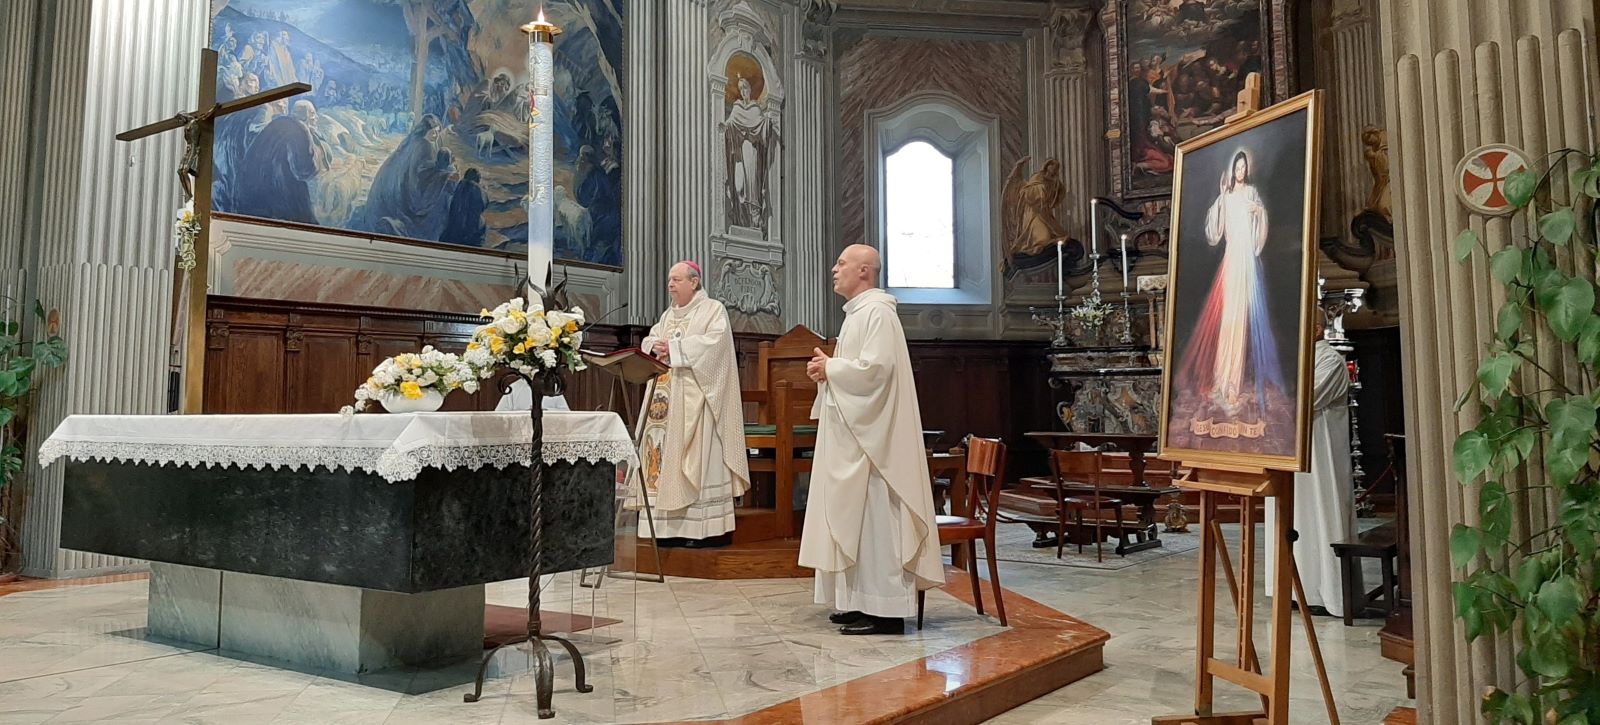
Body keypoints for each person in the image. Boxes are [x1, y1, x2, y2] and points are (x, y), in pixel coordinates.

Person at [799, 245, 943, 635]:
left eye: (841, 263)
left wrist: (830, 366)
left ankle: (887, 610)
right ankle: (858, 602)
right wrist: (827, 370)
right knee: (857, 521)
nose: (834, 268)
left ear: (864, 271)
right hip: (856, 438)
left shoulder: (877, 313)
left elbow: (876, 372)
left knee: (877, 521)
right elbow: (860, 370)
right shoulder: (858, 314)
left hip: (875, 447)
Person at [635, 261, 750, 548]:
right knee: (660, 456)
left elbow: (715, 345)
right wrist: (654, 346)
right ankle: (664, 529)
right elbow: (652, 337)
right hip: (664, 397)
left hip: (698, 400)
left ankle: (701, 530)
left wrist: (673, 348)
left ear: (694, 282)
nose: (670, 285)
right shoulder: (667, 315)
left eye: (676, 279)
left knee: (698, 458)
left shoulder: (712, 310)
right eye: (669, 280)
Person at [1175, 149, 1284, 422]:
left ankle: (1235, 384)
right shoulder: (1228, 196)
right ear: (1231, 169)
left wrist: (1259, 212)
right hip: (1232, 260)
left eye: (1244, 167)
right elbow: (1215, 233)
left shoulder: (1252, 194)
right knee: (1228, 322)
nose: (1240, 171)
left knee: (1244, 322)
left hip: (1247, 262)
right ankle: (1224, 382)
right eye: (1237, 167)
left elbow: (1261, 227)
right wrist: (1221, 196)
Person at [1265, 318, 1354, 617]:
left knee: (1320, 511)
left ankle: (1325, 591)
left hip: (1319, 450)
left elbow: (1304, 400)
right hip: (1289, 447)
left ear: (1317, 329)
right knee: (1292, 514)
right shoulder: (1293, 359)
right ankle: (1291, 587)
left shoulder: (1330, 361)